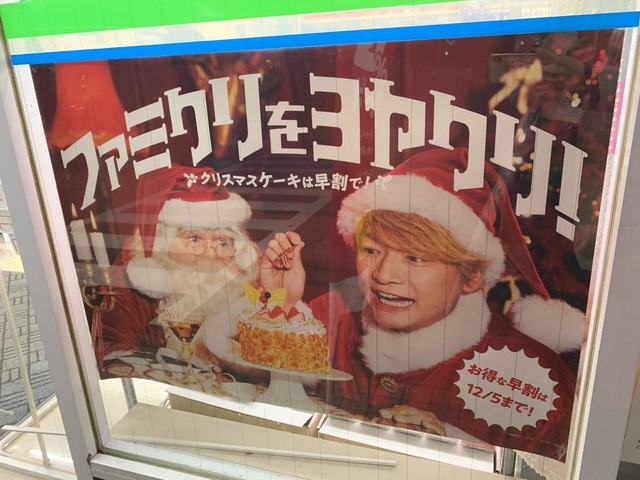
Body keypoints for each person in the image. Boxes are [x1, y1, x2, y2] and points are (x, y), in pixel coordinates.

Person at [259, 148, 584, 460]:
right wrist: (279, 300)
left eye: (415, 257)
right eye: (371, 250)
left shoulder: (537, 379)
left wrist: (455, 448)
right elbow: (249, 382)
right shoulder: (333, 316)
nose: (383, 275)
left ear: (472, 275)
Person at [97, 165, 260, 367]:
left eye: (222, 242)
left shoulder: (248, 284)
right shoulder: (126, 288)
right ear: (160, 242)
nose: (210, 255)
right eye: (193, 239)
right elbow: (112, 354)